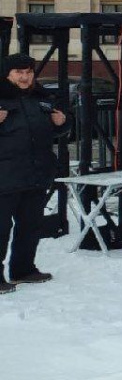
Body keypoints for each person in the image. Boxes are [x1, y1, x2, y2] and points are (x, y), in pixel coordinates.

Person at [0, 53, 70, 294]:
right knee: (0, 229)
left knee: (29, 226)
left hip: (36, 174)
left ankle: (23, 270)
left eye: (29, 72)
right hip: (4, 177)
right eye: (19, 72)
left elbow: (54, 131)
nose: (25, 77)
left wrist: (62, 124)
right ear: (8, 74)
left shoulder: (41, 97)